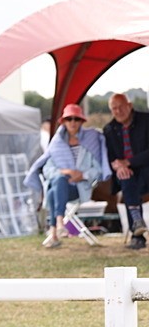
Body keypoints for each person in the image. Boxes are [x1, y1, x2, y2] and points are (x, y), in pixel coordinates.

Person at [24, 103, 108, 249]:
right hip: (60, 186)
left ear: (81, 121)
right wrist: (66, 172)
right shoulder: (56, 143)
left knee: (54, 187)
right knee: (58, 182)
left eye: (76, 119)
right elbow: (47, 170)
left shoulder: (90, 141)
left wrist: (82, 175)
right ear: (64, 121)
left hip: (78, 188)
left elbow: (98, 170)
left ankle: (55, 229)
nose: (73, 122)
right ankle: (59, 224)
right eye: (69, 119)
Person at [103, 93, 149, 249]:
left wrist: (128, 162)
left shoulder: (145, 120)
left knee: (130, 178)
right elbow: (110, 156)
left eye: (121, 107)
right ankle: (137, 231)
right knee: (125, 178)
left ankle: (136, 232)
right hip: (126, 173)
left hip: (145, 167)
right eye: (114, 108)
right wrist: (118, 165)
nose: (118, 111)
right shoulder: (109, 129)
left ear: (129, 106)